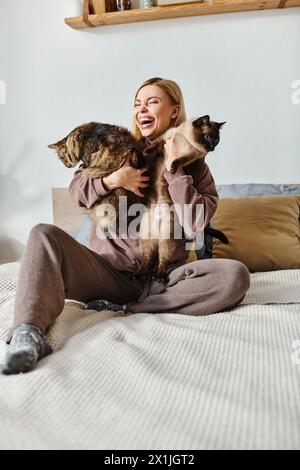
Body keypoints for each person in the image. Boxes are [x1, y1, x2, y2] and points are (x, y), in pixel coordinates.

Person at [1, 77, 250, 375]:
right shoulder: (117, 151)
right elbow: (76, 189)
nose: (141, 109)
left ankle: (130, 308)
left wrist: (173, 170)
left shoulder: (196, 168)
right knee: (43, 233)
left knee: (235, 276)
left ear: (174, 111)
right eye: (137, 103)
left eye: (152, 102)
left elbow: (195, 222)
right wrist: (112, 180)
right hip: (107, 276)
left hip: (164, 282)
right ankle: (28, 333)